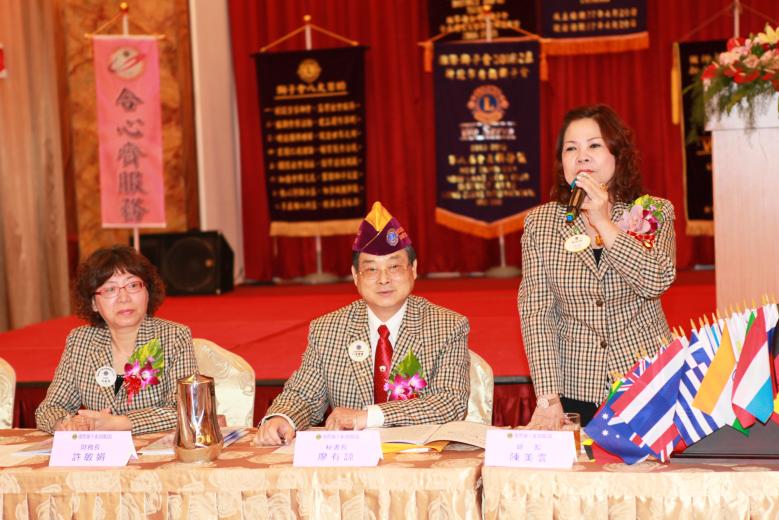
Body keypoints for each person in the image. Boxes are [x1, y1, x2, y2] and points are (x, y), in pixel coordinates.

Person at [254, 202, 471, 446]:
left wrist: (368, 417)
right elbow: (303, 395)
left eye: (394, 267)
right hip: (351, 460)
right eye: (371, 270)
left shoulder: (447, 326)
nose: (384, 279)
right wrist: (284, 417)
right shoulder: (328, 329)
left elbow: (450, 403)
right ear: (355, 276)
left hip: (421, 456)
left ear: (414, 269)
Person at [518, 104, 676, 428]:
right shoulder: (541, 223)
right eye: (571, 149)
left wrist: (604, 222)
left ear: (617, 154)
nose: (582, 157)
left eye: (594, 145)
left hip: (646, 380)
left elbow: (656, 281)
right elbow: (537, 314)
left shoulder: (654, 211)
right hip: (577, 387)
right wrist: (548, 397)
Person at [35, 245, 198, 434]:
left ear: (147, 292)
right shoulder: (80, 341)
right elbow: (49, 408)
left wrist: (119, 423)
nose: (124, 298)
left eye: (133, 285)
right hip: (101, 451)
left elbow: (186, 409)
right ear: (94, 303)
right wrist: (67, 424)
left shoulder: (174, 337)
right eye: (110, 289)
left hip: (156, 449)